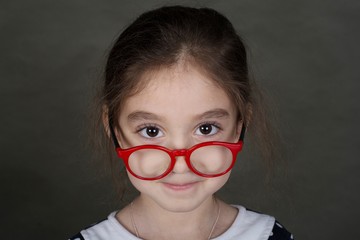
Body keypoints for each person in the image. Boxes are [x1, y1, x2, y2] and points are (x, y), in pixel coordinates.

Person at [69, 5, 293, 240]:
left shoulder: (270, 236)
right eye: (151, 130)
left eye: (206, 129)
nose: (180, 164)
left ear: (240, 125)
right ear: (113, 128)